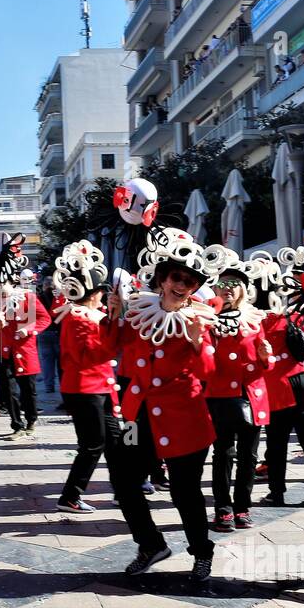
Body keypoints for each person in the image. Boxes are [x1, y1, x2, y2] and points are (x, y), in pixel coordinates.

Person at [106, 227, 221, 582]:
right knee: (124, 482)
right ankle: (150, 544)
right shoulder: (139, 310)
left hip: (184, 417)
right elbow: (110, 349)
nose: (182, 285)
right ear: (161, 278)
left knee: (185, 492)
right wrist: (111, 316)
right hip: (137, 415)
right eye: (176, 277)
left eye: (190, 280)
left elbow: (208, 373)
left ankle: (202, 553)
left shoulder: (199, 318)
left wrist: (198, 341)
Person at [51, 241, 127, 514]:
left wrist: (116, 319)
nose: (104, 297)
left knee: (116, 442)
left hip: (100, 387)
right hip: (85, 389)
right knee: (92, 444)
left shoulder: (90, 316)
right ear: (92, 294)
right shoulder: (79, 319)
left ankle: (123, 491)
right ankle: (70, 496)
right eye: (101, 292)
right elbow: (96, 354)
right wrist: (115, 324)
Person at [204, 252, 273, 531]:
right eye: (223, 283)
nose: (229, 288)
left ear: (244, 290)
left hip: (252, 397)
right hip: (220, 397)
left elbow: (264, 364)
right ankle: (223, 509)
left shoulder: (255, 320)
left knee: (249, 457)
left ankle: (243, 507)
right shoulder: (208, 320)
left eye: (234, 284)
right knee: (223, 454)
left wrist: (266, 357)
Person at [260, 307, 304, 508]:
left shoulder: (257, 322)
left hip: (277, 385)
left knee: (276, 443)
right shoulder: (294, 316)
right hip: (302, 380)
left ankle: (276, 491)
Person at [0, 268, 51, 439]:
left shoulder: (27, 297)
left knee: (28, 390)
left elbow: (44, 318)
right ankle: (17, 425)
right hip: (6, 352)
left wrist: (29, 329)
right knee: (9, 392)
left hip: (25, 350)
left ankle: (31, 421)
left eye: (1, 283)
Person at [36, 277, 62, 395]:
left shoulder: (39, 297)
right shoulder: (59, 296)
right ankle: (62, 385)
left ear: (44, 286)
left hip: (44, 332)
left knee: (47, 361)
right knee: (61, 362)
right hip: (58, 331)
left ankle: (49, 386)